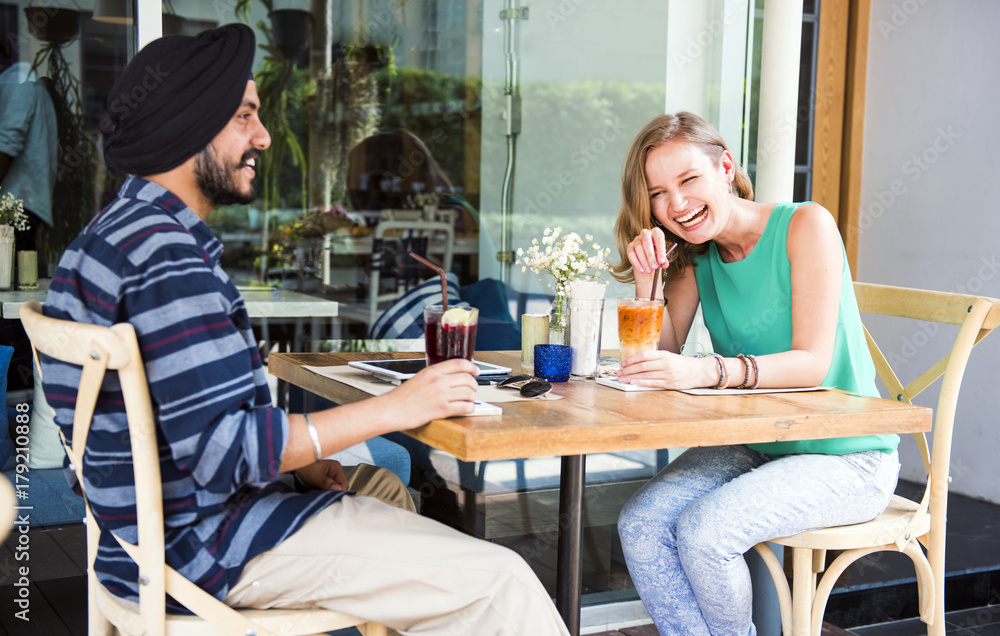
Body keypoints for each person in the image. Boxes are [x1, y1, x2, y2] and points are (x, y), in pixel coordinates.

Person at [40, 24, 568, 636]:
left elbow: (174, 432)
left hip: (142, 536)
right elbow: (229, 451)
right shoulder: (167, 257)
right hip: (206, 549)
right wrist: (400, 405)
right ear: (189, 125)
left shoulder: (107, 238)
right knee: (501, 583)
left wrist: (297, 466)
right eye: (244, 117)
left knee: (381, 488)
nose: (263, 136)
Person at [611, 112, 900, 635]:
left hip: (849, 454)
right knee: (642, 524)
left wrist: (702, 372)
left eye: (688, 180)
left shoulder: (805, 224)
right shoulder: (699, 257)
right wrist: (647, 281)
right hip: (762, 442)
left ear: (725, 167)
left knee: (703, 532)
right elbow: (653, 356)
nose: (675, 204)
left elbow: (812, 361)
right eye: (658, 193)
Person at [0, 35, 57, 272]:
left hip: (18, 210)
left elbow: (6, 146)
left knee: (17, 286)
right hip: (19, 209)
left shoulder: (17, 80)